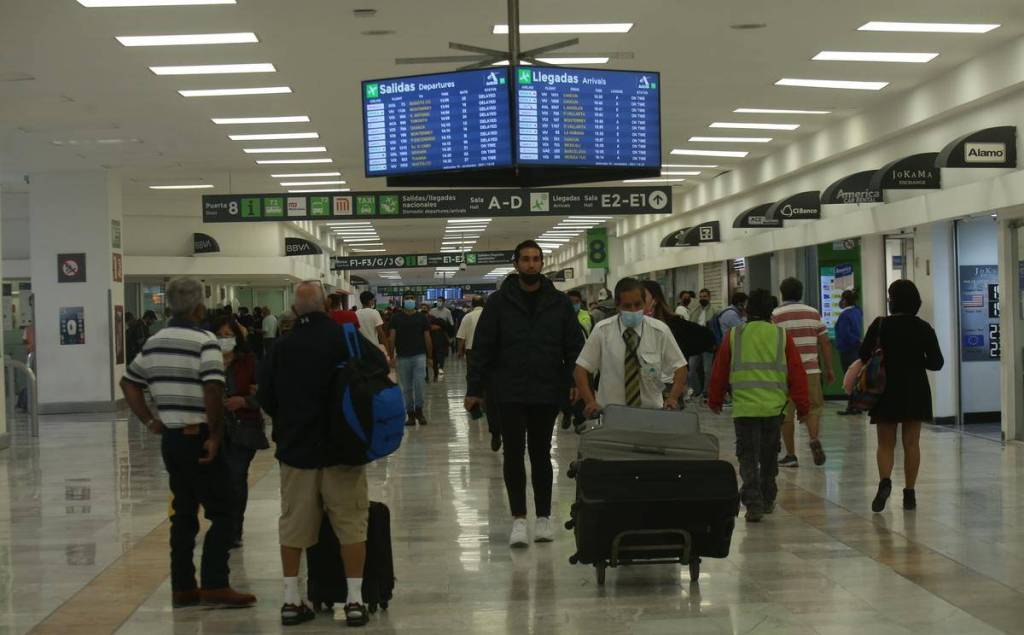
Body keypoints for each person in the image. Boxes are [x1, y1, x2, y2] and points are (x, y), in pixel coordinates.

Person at [120, 277, 256, 609]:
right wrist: (213, 435)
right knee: (224, 511)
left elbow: (129, 383)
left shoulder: (154, 342)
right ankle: (214, 583)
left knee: (183, 513)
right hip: (199, 437)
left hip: (171, 440)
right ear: (199, 307)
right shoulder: (205, 340)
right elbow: (212, 389)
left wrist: (151, 420)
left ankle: (183, 587)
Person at [258, 281, 386, 627]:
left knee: (294, 525)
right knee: (351, 524)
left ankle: (290, 599)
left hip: (296, 451)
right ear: (328, 306)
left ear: (296, 310)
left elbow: (266, 398)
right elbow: (379, 370)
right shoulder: (346, 338)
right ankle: (355, 601)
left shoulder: (282, 347)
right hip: (342, 451)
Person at [465, 240, 585, 547]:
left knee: (542, 454)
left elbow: (574, 347)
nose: (531, 264)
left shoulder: (558, 303)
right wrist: (474, 389)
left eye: (536, 259)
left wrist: (574, 381)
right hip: (508, 390)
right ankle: (519, 519)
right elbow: (482, 348)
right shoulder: (498, 303)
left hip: (547, 390)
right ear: (516, 264)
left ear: (542, 263)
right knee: (514, 454)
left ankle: (543, 517)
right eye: (526, 260)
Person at [707, 289, 810, 522]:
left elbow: (719, 370)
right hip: (774, 409)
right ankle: (768, 497)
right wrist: (803, 406)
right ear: (770, 311)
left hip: (745, 409)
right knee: (769, 456)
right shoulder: (781, 336)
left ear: (747, 310)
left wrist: (715, 399)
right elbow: (797, 374)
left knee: (748, 457)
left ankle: (753, 502)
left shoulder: (734, 335)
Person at [861, 280, 944, 513]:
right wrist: (918, 361)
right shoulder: (923, 327)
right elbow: (937, 362)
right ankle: (909, 493)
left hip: (884, 389)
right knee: (911, 443)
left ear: (893, 301)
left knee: (885, 443)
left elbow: (863, 353)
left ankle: (885, 482)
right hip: (915, 389)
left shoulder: (880, 325)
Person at [575, 277, 688, 416]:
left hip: (651, 414)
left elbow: (681, 367)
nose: (634, 310)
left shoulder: (660, 331)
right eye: (627, 306)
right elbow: (581, 368)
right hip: (612, 415)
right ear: (617, 306)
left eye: (638, 304)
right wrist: (590, 401)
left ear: (644, 303)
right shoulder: (602, 331)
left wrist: (672, 398)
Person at [211, 315, 267, 549]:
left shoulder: (248, 361)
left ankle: (234, 529)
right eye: (220, 335)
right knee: (216, 480)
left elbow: (263, 393)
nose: (225, 340)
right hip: (212, 428)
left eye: (229, 335)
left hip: (243, 427)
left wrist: (244, 400)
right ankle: (220, 523)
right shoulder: (205, 360)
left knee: (236, 477)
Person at [772, 277, 835, 468]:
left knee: (786, 413)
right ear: (801, 292)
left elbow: (773, 345)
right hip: (811, 371)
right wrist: (829, 368)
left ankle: (791, 455)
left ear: (782, 293)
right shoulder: (813, 313)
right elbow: (824, 342)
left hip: (786, 372)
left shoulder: (776, 315)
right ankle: (813, 439)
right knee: (813, 408)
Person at [641, 280, 715, 400]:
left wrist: (683, 352)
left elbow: (707, 336)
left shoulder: (673, 324)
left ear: (655, 300)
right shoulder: (634, 326)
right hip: (646, 388)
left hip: (669, 387)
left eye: (642, 297)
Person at [388, 293, 432, 426]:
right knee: (406, 388)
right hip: (402, 357)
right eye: (407, 299)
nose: (409, 301)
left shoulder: (421, 317)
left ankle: (419, 411)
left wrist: (430, 356)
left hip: (419, 355)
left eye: (411, 298)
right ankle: (410, 414)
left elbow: (427, 337)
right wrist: (391, 356)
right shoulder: (396, 318)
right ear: (403, 301)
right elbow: (392, 337)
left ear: (415, 301)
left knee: (419, 384)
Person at [835, 289, 865, 416]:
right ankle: (857, 406)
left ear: (845, 300)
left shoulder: (844, 316)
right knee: (856, 377)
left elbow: (845, 333)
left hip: (847, 349)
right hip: (856, 349)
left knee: (849, 378)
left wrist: (855, 340)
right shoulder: (857, 312)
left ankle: (851, 406)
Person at [428, 314, 451, 382]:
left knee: (435, 357)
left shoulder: (432, 321)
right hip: (439, 342)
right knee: (440, 356)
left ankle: (436, 372)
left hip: (435, 342)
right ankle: (439, 368)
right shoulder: (440, 328)